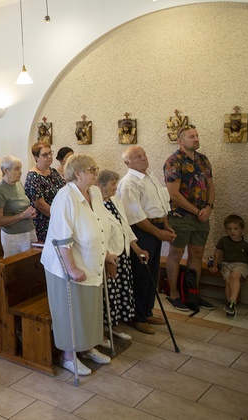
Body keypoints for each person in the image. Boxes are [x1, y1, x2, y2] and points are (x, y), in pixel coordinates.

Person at [42, 154, 112, 376]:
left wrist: (107, 253)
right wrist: (71, 268)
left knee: (89, 309)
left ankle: (87, 346)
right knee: (71, 311)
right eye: (91, 169)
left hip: (90, 261)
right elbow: (61, 238)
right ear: (77, 173)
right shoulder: (65, 197)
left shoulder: (95, 192)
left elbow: (101, 224)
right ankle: (68, 356)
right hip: (65, 264)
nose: (95, 173)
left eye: (95, 168)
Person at [117, 146, 175, 333]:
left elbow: (161, 203)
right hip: (141, 231)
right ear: (127, 163)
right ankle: (138, 317)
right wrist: (158, 233)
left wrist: (165, 226)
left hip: (156, 228)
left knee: (152, 272)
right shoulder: (128, 183)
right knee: (141, 274)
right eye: (138, 157)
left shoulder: (150, 176)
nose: (143, 158)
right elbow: (135, 216)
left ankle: (147, 311)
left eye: (144, 154)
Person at [164, 125, 215, 311]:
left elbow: (210, 186)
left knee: (196, 255)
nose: (196, 139)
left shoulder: (203, 160)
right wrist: (196, 211)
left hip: (202, 216)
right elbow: (174, 194)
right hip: (181, 217)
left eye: (197, 135)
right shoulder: (173, 161)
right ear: (180, 141)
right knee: (176, 255)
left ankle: (193, 293)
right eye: (191, 136)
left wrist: (209, 207)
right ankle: (174, 294)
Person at [97, 170, 150, 340]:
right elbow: (101, 234)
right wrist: (108, 258)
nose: (115, 187)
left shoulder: (115, 200)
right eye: (112, 184)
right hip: (111, 255)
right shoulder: (96, 205)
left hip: (123, 253)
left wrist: (137, 248)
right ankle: (109, 326)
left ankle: (117, 321)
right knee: (111, 292)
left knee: (121, 290)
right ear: (101, 185)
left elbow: (125, 226)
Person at [0, 156, 37, 257]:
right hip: (14, 237)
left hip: (29, 231)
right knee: (18, 269)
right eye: (17, 169)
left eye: (20, 168)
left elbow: (22, 206)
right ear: (6, 171)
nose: (20, 172)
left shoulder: (18, 184)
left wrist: (30, 212)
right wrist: (23, 215)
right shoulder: (0, 190)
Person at [211, 214, 248, 318]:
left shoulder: (246, 245)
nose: (232, 231)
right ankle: (231, 308)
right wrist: (214, 265)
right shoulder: (224, 240)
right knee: (228, 281)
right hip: (227, 264)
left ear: (241, 230)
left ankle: (232, 302)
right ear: (225, 229)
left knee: (234, 276)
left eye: (235, 229)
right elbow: (217, 252)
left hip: (241, 265)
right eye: (229, 229)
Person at [25, 142, 66, 243]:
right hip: (45, 221)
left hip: (60, 217)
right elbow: (40, 204)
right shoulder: (33, 176)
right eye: (44, 155)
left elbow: (65, 190)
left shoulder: (54, 172)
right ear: (36, 158)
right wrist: (58, 217)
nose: (49, 156)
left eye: (50, 153)